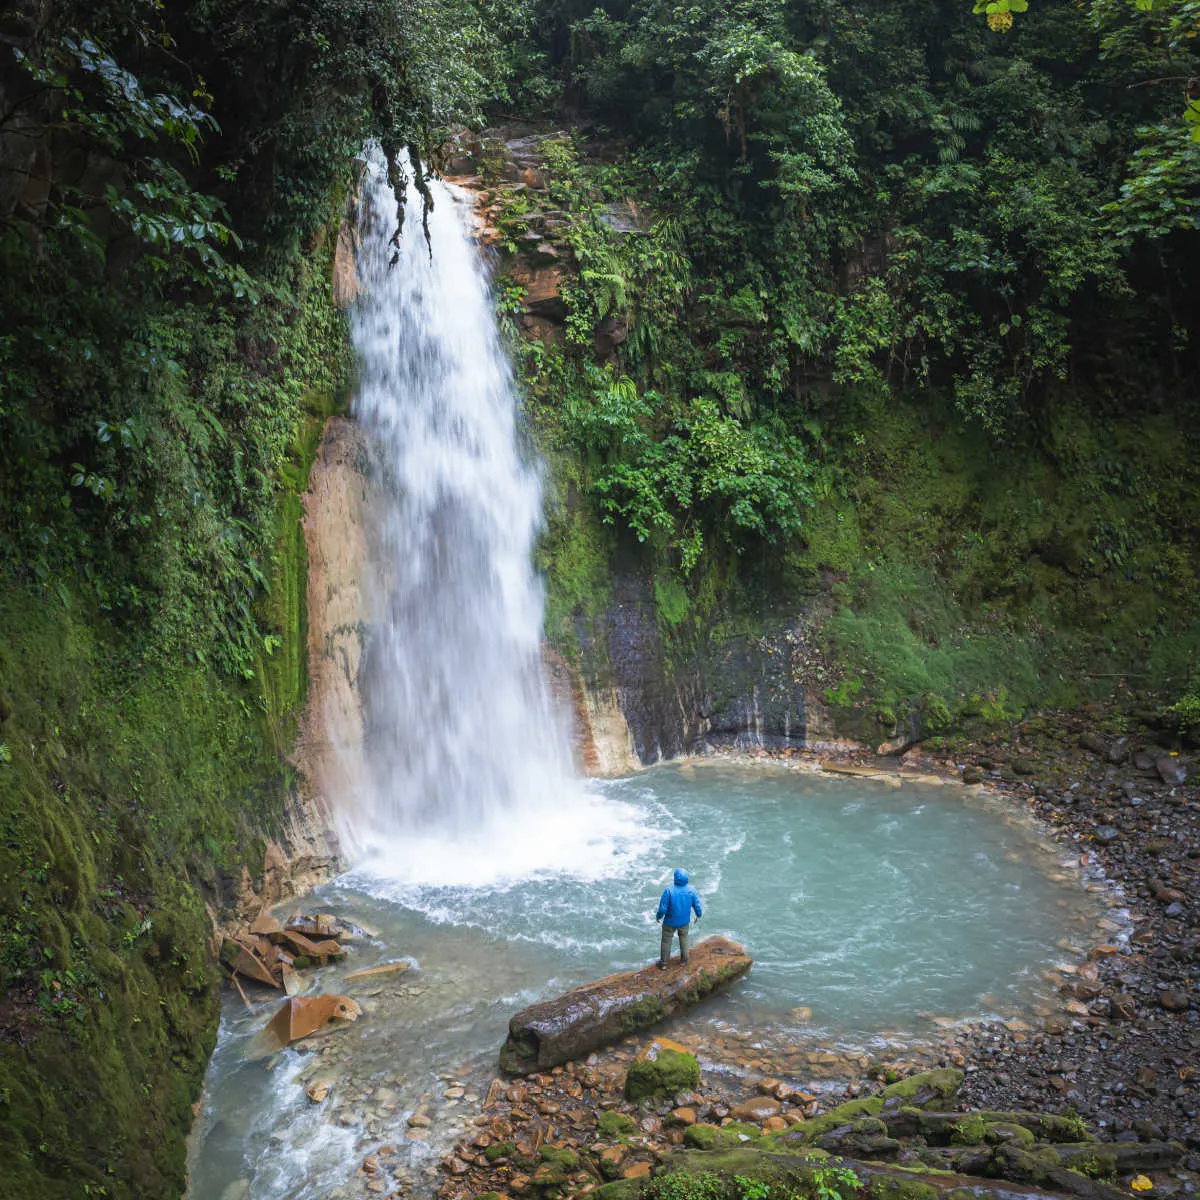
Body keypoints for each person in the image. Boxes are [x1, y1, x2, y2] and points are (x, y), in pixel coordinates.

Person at [655, 868, 702, 968]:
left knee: (666, 941)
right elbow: (697, 905)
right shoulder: (691, 890)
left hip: (669, 921)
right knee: (684, 939)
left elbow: (663, 908)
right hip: (684, 921)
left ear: (675, 879)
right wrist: (699, 914)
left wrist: (658, 916)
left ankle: (664, 963)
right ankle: (684, 960)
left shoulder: (669, 891)